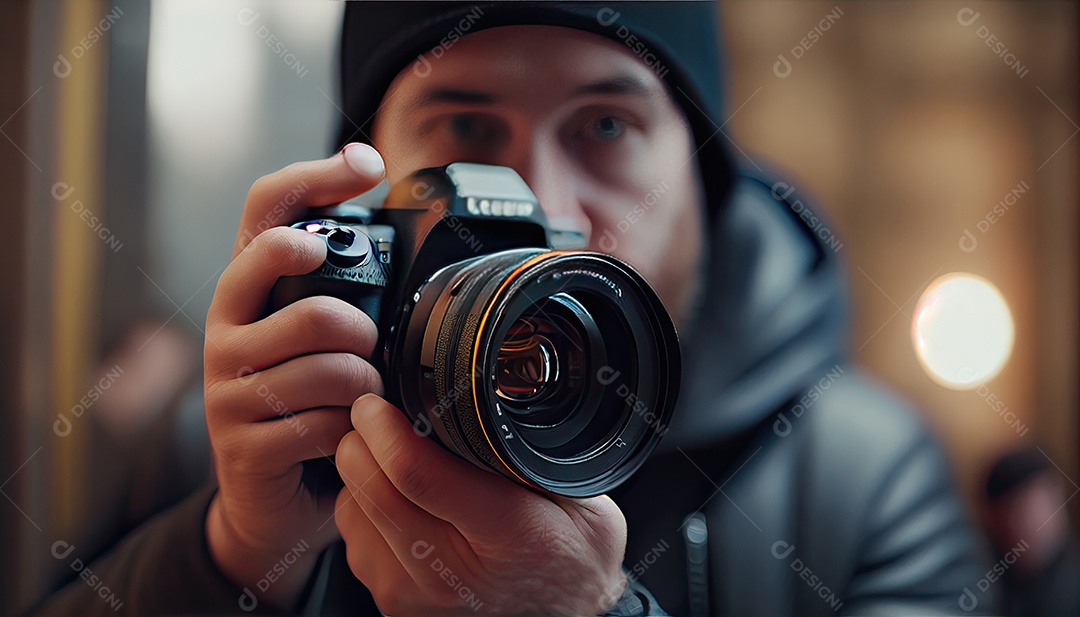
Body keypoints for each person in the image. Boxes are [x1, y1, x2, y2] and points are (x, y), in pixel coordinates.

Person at [31, 2, 990, 615]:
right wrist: (235, 559)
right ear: (362, 192)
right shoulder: (259, 442)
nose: (547, 207)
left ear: (704, 182)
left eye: (607, 125)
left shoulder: (863, 479)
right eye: (463, 130)